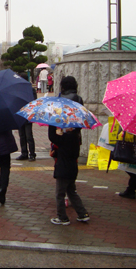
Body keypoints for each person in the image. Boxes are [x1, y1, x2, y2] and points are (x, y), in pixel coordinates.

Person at [48, 76, 89, 225]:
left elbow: (53, 137)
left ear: (63, 86)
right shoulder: (78, 99)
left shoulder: (59, 101)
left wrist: (52, 125)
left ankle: (62, 217)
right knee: (72, 189)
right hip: (73, 151)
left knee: (60, 192)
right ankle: (82, 213)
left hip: (63, 157)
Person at [16, 72, 38, 161]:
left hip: (28, 114)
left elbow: (34, 101)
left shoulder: (30, 89)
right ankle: (24, 152)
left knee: (28, 135)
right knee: (22, 135)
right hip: (20, 114)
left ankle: (32, 153)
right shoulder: (17, 89)